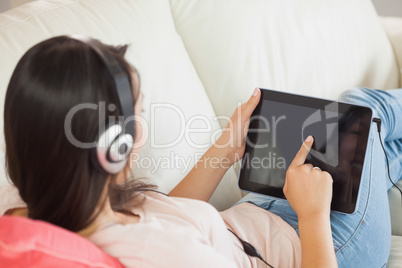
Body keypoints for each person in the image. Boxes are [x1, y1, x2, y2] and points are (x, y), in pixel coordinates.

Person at [2, 36, 401, 268]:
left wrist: (226, 149)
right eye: (139, 114)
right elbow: (168, 244)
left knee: (377, 147)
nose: (144, 123)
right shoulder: (175, 258)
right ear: (114, 149)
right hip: (324, 244)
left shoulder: (50, 203)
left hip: (260, 217)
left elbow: (165, 220)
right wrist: (313, 213)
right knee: (365, 111)